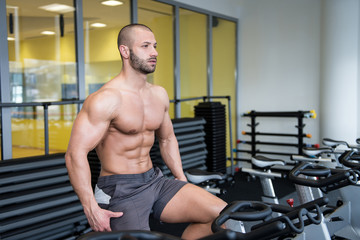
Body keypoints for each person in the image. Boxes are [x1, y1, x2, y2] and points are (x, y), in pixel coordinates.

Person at [65, 23, 227, 240]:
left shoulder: (158, 94)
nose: (154, 52)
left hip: (155, 179)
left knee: (223, 217)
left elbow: (168, 139)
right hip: (119, 189)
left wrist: (180, 177)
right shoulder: (106, 99)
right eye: (145, 46)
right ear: (125, 51)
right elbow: (75, 154)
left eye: (155, 46)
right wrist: (90, 207)